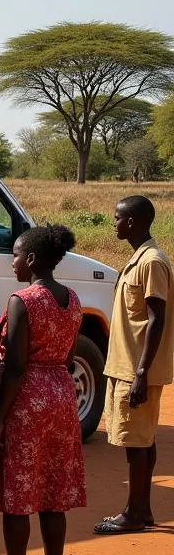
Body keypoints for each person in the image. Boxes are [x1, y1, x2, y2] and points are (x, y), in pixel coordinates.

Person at [0, 225, 86, 555]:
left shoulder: (22, 300)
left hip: (28, 402)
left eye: (14, 255)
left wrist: (0, 418)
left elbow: (16, 366)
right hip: (62, 397)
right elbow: (70, 355)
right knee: (53, 495)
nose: (11, 262)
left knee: (18, 497)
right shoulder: (72, 299)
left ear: (30, 260)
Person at [94, 195, 173, 534]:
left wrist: (141, 373)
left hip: (136, 369)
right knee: (142, 439)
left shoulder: (151, 261)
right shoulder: (139, 258)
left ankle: (133, 514)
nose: (114, 223)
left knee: (136, 443)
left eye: (118, 218)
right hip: (128, 365)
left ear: (134, 222)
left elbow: (157, 319)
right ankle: (143, 509)